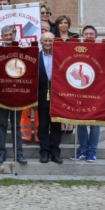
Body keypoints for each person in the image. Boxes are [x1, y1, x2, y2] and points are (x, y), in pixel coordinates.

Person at [0, 26, 28, 164]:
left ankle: (18, 153)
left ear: (14, 35)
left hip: (17, 94)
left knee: (16, 126)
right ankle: (1, 152)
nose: (8, 37)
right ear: (2, 36)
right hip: (2, 94)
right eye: (6, 35)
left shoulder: (22, 50)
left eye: (10, 34)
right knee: (2, 125)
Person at [71, 25, 101, 163]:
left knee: (95, 123)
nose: (89, 36)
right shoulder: (77, 50)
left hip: (96, 91)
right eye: (86, 33)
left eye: (91, 34)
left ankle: (92, 152)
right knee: (80, 122)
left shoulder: (102, 50)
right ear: (82, 36)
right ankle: (83, 150)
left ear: (95, 36)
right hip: (80, 91)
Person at [37, 32, 63, 164]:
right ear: (41, 42)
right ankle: (44, 152)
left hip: (58, 97)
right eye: (45, 41)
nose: (47, 43)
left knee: (56, 125)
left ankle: (55, 152)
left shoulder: (61, 57)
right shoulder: (35, 57)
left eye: (50, 41)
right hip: (41, 96)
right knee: (43, 125)